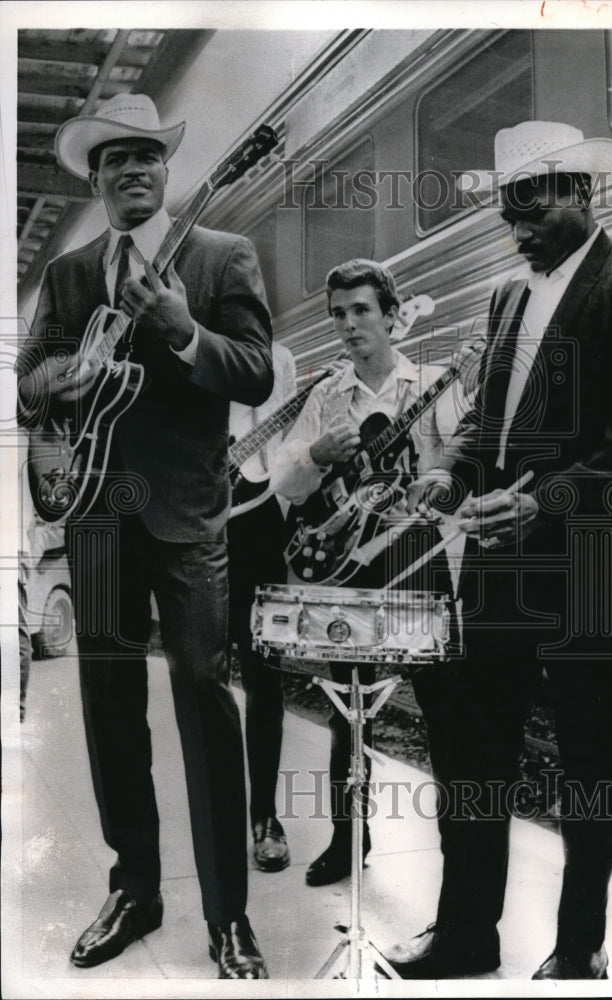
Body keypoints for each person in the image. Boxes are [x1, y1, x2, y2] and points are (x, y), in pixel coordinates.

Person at [382, 121, 612, 980]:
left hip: (583, 565)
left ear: (586, 193)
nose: (517, 228)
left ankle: (578, 948)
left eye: (532, 208)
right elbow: (484, 422)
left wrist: (541, 499)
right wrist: (446, 475)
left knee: (585, 760)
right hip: (500, 564)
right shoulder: (507, 296)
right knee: (476, 749)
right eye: (508, 214)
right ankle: (468, 933)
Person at [15, 93, 273, 979]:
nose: (132, 169)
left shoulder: (220, 255)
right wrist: (68, 373)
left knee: (205, 695)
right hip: (93, 510)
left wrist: (183, 330)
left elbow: (258, 370)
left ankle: (229, 916)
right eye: (113, 159)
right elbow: (28, 386)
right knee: (110, 703)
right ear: (95, 177)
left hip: (186, 514)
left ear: (167, 170)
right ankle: (137, 888)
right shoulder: (73, 272)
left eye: (147, 156)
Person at [271, 259, 469, 887]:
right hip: (345, 569)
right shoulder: (326, 393)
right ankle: (346, 838)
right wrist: (315, 453)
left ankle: (456, 856)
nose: (348, 324)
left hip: (415, 562)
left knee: (443, 709)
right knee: (349, 707)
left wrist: (428, 495)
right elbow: (284, 480)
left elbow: (465, 475)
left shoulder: (434, 384)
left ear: (391, 314)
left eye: (361, 310)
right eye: (338, 313)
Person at [227, 340, 296, 873]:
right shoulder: (181, 344)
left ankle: (265, 817)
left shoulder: (278, 356)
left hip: (256, 523)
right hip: (196, 524)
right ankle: (219, 815)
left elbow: (285, 447)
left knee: (264, 677)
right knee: (201, 680)